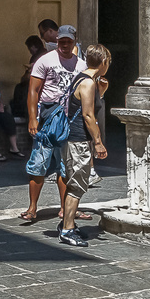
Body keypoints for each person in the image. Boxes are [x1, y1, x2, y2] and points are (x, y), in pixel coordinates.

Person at [24, 25, 89, 221]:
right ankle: (32, 207)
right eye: (62, 41)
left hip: (70, 120)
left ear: (74, 41)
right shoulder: (45, 61)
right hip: (48, 117)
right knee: (39, 164)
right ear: (57, 41)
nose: (65, 45)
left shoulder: (81, 65)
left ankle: (64, 208)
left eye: (69, 41)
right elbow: (33, 91)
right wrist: (32, 118)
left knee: (65, 166)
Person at [51, 43, 112, 247]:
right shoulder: (87, 83)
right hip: (78, 140)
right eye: (108, 62)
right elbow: (87, 115)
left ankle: (67, 224)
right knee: (76, 186)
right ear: (103, 62)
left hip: (74, 139)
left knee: (75, 184)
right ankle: (67, 229)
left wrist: (101, 92)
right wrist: (98, 142)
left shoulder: (83, 78)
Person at [11, 35, 47, 120]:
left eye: (29, 47)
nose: (29, 50)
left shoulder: (41, 56)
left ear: (34, 46)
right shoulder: (40, 55)